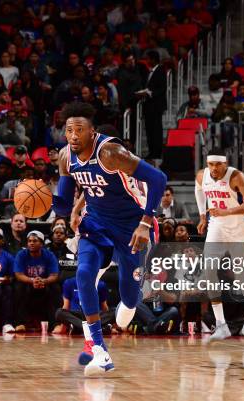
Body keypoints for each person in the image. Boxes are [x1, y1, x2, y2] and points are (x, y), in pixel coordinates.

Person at [51, 102, 166, 376]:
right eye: (69, 130)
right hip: (97, 224)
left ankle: (127, 306)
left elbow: (159, 179)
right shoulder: (65, 157)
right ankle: (99, 350)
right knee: (83, 275)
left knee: (129, 296)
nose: (74, 135)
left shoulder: (111, 153)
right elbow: (64, 205)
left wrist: (145, 222)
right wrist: (46, 200)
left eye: (80, 130)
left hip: (131, 225)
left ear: (92, 132)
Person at [194, 147, 244, 342]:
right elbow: (198, 190)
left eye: (218, 164)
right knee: (208, 269)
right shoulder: (202, 175)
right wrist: (202, 216)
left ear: (226, 163)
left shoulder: (236, 177)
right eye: (211, 164)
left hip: (240, 227)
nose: (214, 168)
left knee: (239, 273)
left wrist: (227, 212)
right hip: (217, 226)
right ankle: (221, 325)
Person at [13, 231, 61, 332]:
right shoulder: (21, 254)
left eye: (35, 241)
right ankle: (20, 323)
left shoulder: (49, 255)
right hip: (28, 284)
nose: (31, 243)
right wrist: (32, 280)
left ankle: (56, 324)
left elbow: (54, 275)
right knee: (18, 287)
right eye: (29, 241)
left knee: (55, 288)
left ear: (42, 244)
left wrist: (44, 281)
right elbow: (18, 275)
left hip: (44, 284)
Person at [139, 51, 166, 160]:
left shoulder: (160, 70)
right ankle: (151, 152)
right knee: (150, 130)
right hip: (149, 106)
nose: (147, 61)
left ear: (154, 59)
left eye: (149, 59)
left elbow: (162, 88)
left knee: (156, 130)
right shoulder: (149, 72)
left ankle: (157, 152)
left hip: (156, 106)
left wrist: (149, 93)